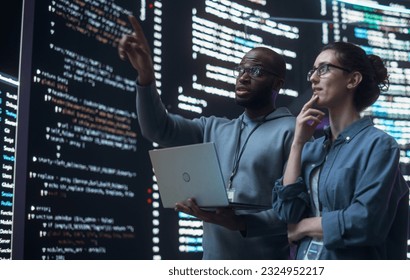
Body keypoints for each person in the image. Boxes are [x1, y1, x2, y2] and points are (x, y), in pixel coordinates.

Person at [118, 15, 295, 259]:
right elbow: (157, 129)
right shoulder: (212, 128)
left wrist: (240, 223)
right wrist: (146, 75)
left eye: (256, 70)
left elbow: (297, 212)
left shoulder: (293, 131)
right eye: (241, 69)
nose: (243, 77)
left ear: (278, 84)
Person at [272, 42, 409, 259]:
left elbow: (366, 222)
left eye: (324, 69)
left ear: (353, 80)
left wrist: (304, 226)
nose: (313, 78)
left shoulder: (379, 145)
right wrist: (298, 144)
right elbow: (287, 213)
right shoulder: (312, 148)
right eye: (313, 70)